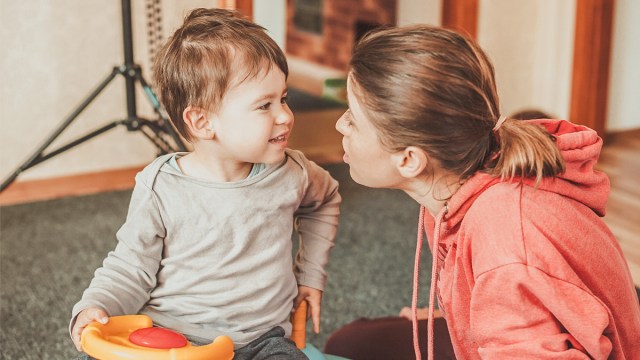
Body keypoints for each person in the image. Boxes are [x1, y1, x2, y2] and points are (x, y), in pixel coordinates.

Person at [325, 24, 640, 359]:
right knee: (348, 345)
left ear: (409, 159)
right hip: (502, 316)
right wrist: (461, 313)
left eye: (353, 119)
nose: (339, 125)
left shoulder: (504, 242)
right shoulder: (463, 178)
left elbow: (509, 270)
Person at [69, 8, 341, 359]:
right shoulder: (160, 186)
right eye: (264, 106)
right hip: (172, 338)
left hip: (261, 342)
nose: (285, 116)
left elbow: (325, 200)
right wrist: (94, 306)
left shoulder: (294, 173)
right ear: (201, 121)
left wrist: (310, 276)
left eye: (284, 99)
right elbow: (129, 267)